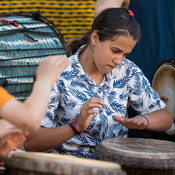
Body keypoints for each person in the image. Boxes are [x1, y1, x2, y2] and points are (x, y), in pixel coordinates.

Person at [24, 8, 172, 159]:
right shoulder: (59, 74)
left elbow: (165, 118)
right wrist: (76, 126)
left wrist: (144, 121)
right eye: (115, 51)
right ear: (95, 38)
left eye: (125, 54)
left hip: (115, 166)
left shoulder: (127, 71)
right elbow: (31, 142)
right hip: (67, 166)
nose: (119, 60)